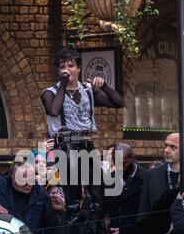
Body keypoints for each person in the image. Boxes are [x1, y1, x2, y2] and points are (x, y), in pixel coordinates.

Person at [41, 48, 124, 222]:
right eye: (62, 66)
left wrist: (105, 86)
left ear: (79, 68)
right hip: (65, 145)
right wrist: (63, 84)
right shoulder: (50, 93)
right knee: (73, 200)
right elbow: (54, 111)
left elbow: (118, 103)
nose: (66, 69)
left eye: (71, 65)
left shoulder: (88, 90)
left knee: (97, 198)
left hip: (87, 143)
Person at [136, 133, 181, 234]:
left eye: (173, 147)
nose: (166, 150)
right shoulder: (153, 174)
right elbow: (143, 210)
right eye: (166, 145)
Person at [102, 143, 147, 234]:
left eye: (123, 163)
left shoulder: (146, 179)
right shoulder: (108, 179)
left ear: (132, 158)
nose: (120, 167)